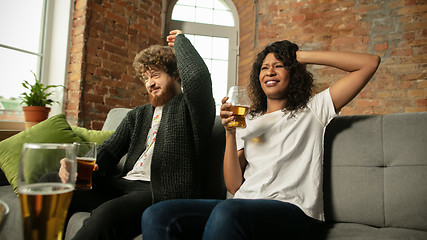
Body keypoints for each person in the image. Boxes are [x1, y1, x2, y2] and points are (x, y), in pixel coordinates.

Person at [141, 40, 381, 239]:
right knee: (158, 214)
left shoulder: (313, 110)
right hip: (243, 206)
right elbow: (234, 186)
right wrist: (230, 133)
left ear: (294, 72)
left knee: (228, 212)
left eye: (279, 65)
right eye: (264, 67)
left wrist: (297, 55)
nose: (270, 72)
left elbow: (368, 64)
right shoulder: (249, 119)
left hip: (294, 212)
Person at [65, 30, 216, 240]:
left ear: (176, 74)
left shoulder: (191, 109)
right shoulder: (138, 114)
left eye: (155, 75)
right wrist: (83, 168)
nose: (149, 83)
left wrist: (181, 41)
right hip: (123, 184)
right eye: (146, 78)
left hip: (158, 192)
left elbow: (198, 78)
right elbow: (110, 149)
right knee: (53, 182)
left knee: (106, 214)